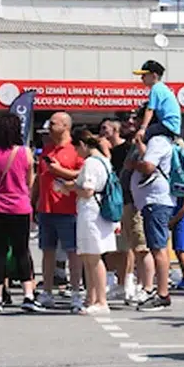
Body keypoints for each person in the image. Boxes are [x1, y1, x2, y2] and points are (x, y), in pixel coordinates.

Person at [0, 114, 41, 314]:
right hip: (20, 207)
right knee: (21, 251)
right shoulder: (25, 152)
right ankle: (28, 295)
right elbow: (30, 182)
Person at [35, 112, 83, 309]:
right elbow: (39, 178)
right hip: (46, 209)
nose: (49, 127)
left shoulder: (75, 149)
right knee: (47, 251)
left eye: (53, 124)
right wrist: (33, 201)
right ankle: (47, 291)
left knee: (73, 252)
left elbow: (82, 174)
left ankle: (76, 292)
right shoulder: (47, 149)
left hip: (68, 209)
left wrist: (59, 170)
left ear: (65, 126)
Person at [130, 117, 176, 312]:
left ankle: (163, 294)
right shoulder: (158, 142)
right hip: (152, 201)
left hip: (156, 201)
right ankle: (160, 291)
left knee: (158, 248)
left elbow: (149, 166)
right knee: (157, 247)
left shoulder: (157, 141)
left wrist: (134, 164)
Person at [72, 128, 118, 315]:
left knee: (93, 257)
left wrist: (70, 188)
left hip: (92, 211)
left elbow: (88, 190)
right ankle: (92, 298)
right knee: (89, 256)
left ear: (82, 145)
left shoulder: (91, 162)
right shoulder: (104, 160)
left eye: (77, 148)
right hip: (98, 211)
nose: (77, 153)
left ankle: (101, 300)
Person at [105, 112, 148, 301]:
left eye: (133, 119)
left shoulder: (141, 146)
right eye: (125, 120)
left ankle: (140, 285)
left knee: (138, 246)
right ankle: (122, 283)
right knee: (122, 245)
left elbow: (148, 167)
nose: (129, 123)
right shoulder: (120, 150)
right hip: (120, 201)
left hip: (135, 201)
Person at [133, 60, 181, 141]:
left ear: (154, 76)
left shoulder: (156, 88)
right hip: (172, 126)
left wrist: (143, 128)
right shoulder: (162, 88)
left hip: (167, 125)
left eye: (144, 75)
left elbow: (150, 110)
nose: (141, 78)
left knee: (141, 138)